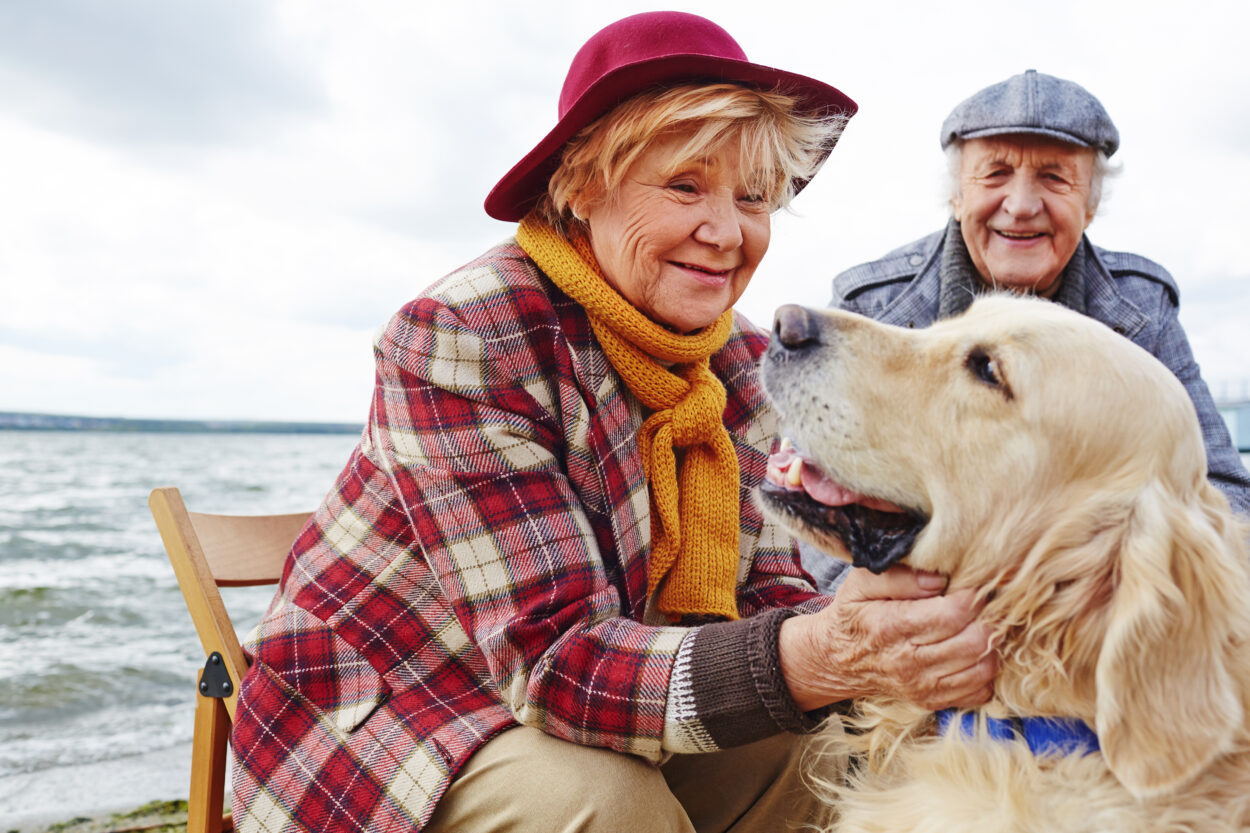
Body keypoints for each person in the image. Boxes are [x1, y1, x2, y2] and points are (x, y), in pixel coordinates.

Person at [228, 13, 997, 833]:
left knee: (823, 740)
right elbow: (555, 663)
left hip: (600, 693)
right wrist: (824, 651)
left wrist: (875, 627)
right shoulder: (462, 334)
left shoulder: (741, 361)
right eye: (686, 186)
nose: (728, 233)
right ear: (583, 183)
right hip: (404, 706)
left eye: (755, 198)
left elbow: (767, 590)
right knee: (605, 804)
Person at [801, 69, 1250, 593]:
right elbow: (811, 506)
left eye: (1055, 178)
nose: (1020, 204)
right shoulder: (871, 305)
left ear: (1091, 204)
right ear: (956, 196)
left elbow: (1222, 495)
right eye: (994, 174)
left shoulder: (1142, 308)